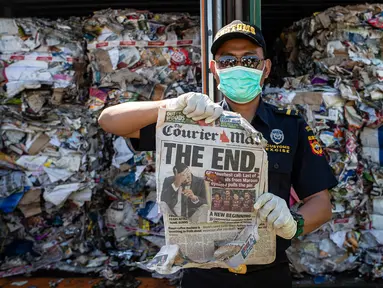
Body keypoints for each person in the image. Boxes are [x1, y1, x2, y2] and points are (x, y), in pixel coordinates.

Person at [98, 20, 337, 288]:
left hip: (268, 274)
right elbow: (109, 120)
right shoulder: (189, 119)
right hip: (203, 275)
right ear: (214, 69)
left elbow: (322, 203)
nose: (238, 67)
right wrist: (171, 105)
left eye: (249, 59)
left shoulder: (290, 125)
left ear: (265, 68)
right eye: (227, 60)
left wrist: (294, 223)